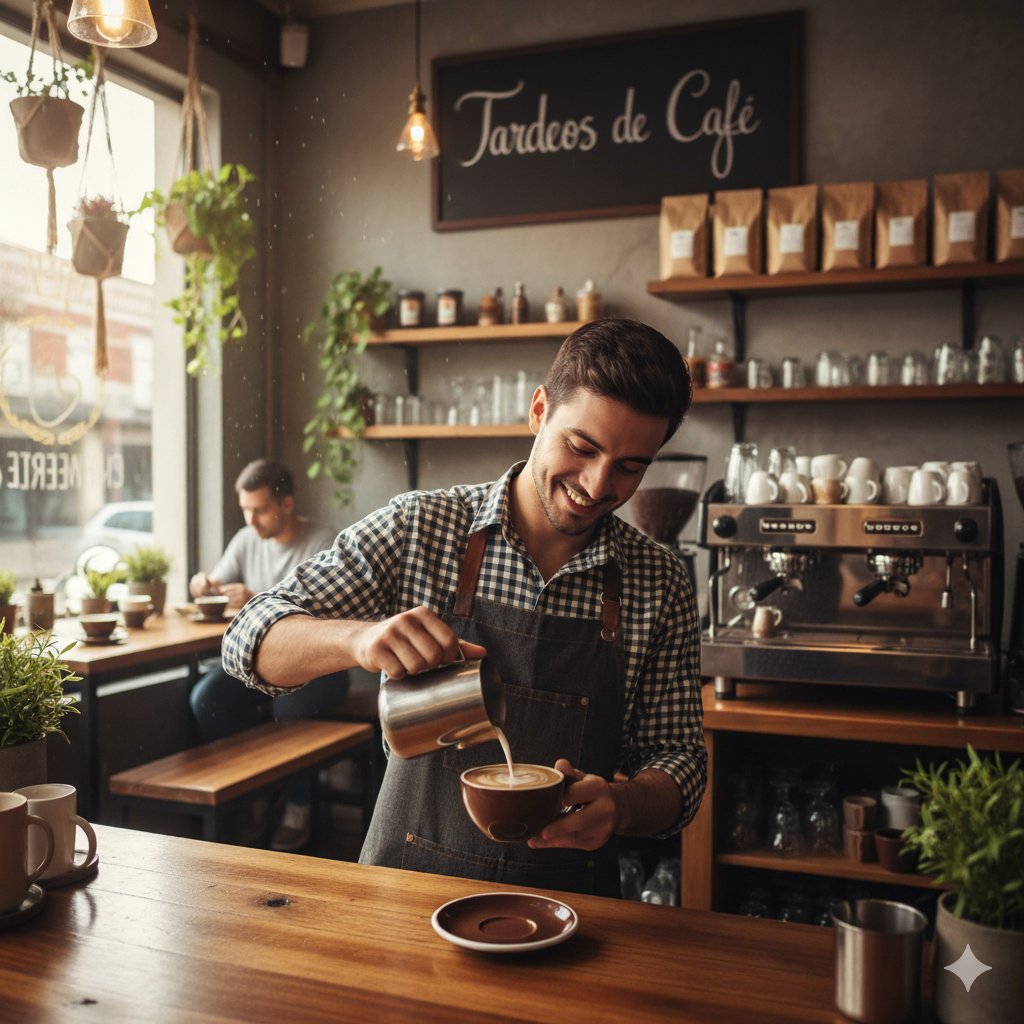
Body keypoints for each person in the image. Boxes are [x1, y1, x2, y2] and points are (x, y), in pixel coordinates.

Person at [223, 320, 706, 897]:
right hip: (403, 903)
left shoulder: (659, 581)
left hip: (568, 913)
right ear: (539, 410)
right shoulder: (421, 528)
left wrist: (624, 805)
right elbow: (247, 640)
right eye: (582, 447)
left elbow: (679, 761)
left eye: (631, 467)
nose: (599, 485)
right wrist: (359, 641)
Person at [189, 458, 346, 852]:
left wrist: (257, 599)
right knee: (206, 701)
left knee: (286, 712)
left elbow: (324, 618)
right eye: (245, 510)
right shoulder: (247, 539)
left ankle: (296, 804)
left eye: (259, 510)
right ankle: (261, 790)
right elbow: (217, 583)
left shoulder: (322, 541)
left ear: (286, 505)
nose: (251, 520)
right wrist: (203, 584)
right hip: (258, 666)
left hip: (320, 667)